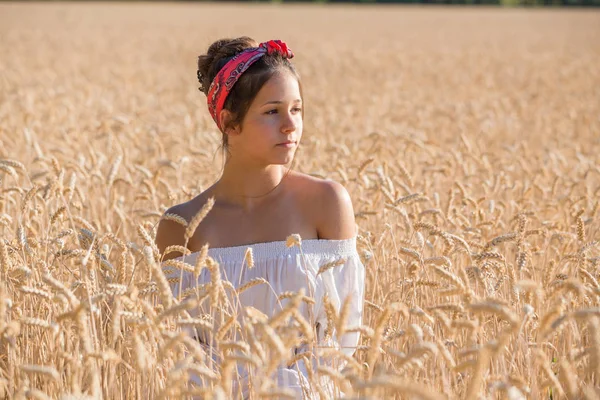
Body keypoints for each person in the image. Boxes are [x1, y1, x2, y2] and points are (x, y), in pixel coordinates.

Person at [155, 37, 365, 399]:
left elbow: (345, 335)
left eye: (296, 109)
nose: (290, 125)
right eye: (272, 111)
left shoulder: (326, 203)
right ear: (229, 122)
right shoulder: (181, 225)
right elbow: (179, 349)